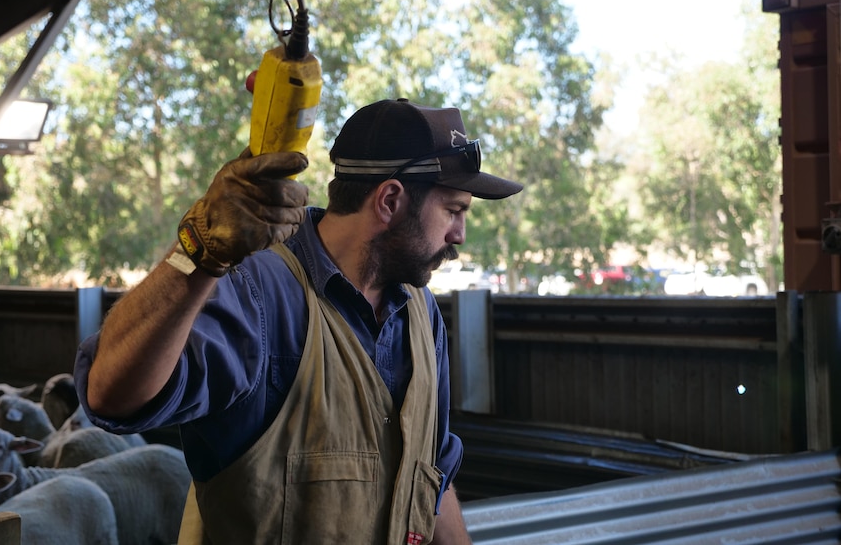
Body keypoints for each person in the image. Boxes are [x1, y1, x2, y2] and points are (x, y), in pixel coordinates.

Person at [73, 98, 523, 544]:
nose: (459, 235)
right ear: (390, 201)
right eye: (454, 210)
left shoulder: (421, 314)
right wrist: (198, 254)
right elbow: (111, 394)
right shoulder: (257, 293)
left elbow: (433, 480)